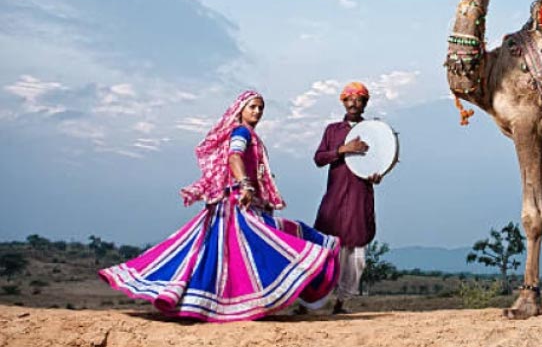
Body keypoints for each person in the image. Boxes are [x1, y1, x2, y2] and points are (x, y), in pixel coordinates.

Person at [99, 90, 340, 322]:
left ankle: (217, 304)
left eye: (261, 108)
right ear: (240, 109)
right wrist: (245, 184)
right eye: (252, 107)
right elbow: (234, 157)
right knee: (254, 248)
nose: (257, 112)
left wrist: (258, 194)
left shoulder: (251, 136)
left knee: (226, 256)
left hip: (239, 204)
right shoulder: (241, 133)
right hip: (234, 205)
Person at [313, 81, 382, 314]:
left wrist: (377, 175)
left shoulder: (373, 131)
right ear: (343, 102)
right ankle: (310, 303)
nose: (354, 103)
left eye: (359, 99)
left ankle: (342, 303)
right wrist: (343, 149)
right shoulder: (333, 131)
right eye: (349, 99)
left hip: (360, 196)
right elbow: (319, 158)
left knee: (356, 253)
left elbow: (380, 162)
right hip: (335, 197)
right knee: (325, 249)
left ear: (365, 103)